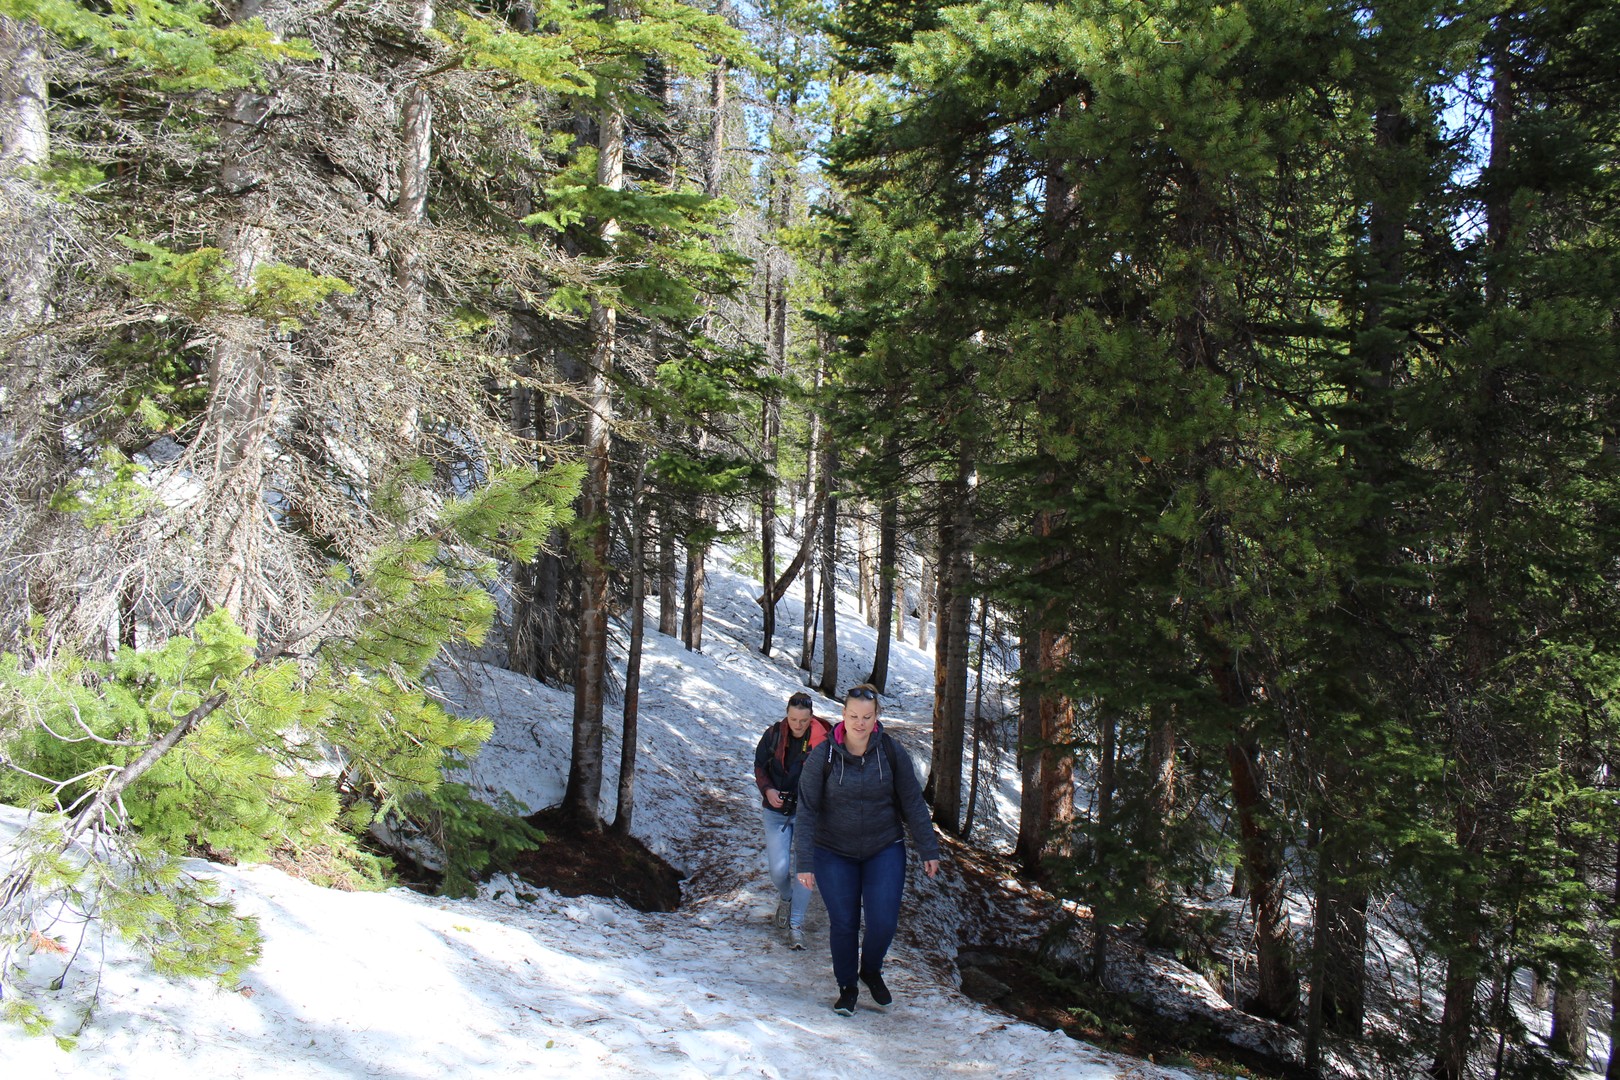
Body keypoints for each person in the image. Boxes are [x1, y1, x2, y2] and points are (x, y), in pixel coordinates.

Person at [794, 683, 940, 1016]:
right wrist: (804, 861)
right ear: (843, 715)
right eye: (854, 716)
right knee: (844, 922)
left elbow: (912, 803)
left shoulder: (891, 752)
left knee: (884, 921)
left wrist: (928, 849)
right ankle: (847, 987)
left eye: (867, 717)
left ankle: (870, 969)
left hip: (883, 847)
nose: (861, 723)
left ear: (877, 717)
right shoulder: (824, 756)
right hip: (833, 851)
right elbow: (807, 810)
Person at [754, 691, 832, 949]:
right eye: (793, 719)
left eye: (803, 720)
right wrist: (768, 790)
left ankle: (796, 926)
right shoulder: (774, 734)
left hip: (809, 813)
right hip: (776, 811)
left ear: (811, 717)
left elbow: (831, 775)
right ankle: (786, 897)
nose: (798, 725)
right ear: (787, 715)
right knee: (778, 870)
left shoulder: (823, 741)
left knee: (805, 871)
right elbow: (759, 765)